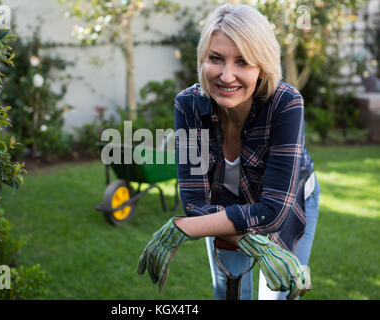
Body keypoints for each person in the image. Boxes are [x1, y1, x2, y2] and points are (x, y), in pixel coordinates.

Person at [137, 3, 319, 300]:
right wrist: (248, 241)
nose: (226, 75)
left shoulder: (285, 103)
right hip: (224, 207)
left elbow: (272, 212)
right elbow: (196, 204)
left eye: (243, 62)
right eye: (216, 59)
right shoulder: (188, 105)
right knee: (228, 292)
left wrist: (184, 227)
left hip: (291, 199)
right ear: (202, 59)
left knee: (280, 292)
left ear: (262, 67)